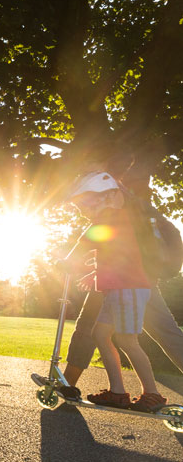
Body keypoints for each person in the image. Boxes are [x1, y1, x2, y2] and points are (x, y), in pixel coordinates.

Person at [55, 172, 167, 411]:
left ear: (108, 197)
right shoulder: (113, 220)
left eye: (87, 203)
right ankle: (117, 391)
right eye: (80, 206)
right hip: (117, 289)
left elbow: (86, 243)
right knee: (100, 334)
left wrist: (67, 261)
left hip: (129, 289)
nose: (84, 209)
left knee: (127, 339)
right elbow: (114, 258)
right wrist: (93, 274)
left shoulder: (110, 219)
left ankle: (152, 394)